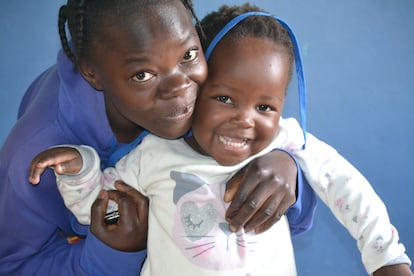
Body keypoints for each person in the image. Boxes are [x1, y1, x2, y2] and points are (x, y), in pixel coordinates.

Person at [29, 3, 413, 276]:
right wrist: (80, 169)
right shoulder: (152, 156)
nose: (244, 120)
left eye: (265, 107)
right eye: (225, 98)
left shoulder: (284, 141)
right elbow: (98, 211)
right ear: (198, 85)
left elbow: (346, 185)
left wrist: (386, 256)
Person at [0, 0, 317, 275]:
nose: (179, 88)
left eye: (188, 54)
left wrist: (287, 170)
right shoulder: (36, 157)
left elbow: (286, 211)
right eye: (142, 75)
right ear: (92, 73)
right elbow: (12, 266)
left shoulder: (200, 84)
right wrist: (114, 254)